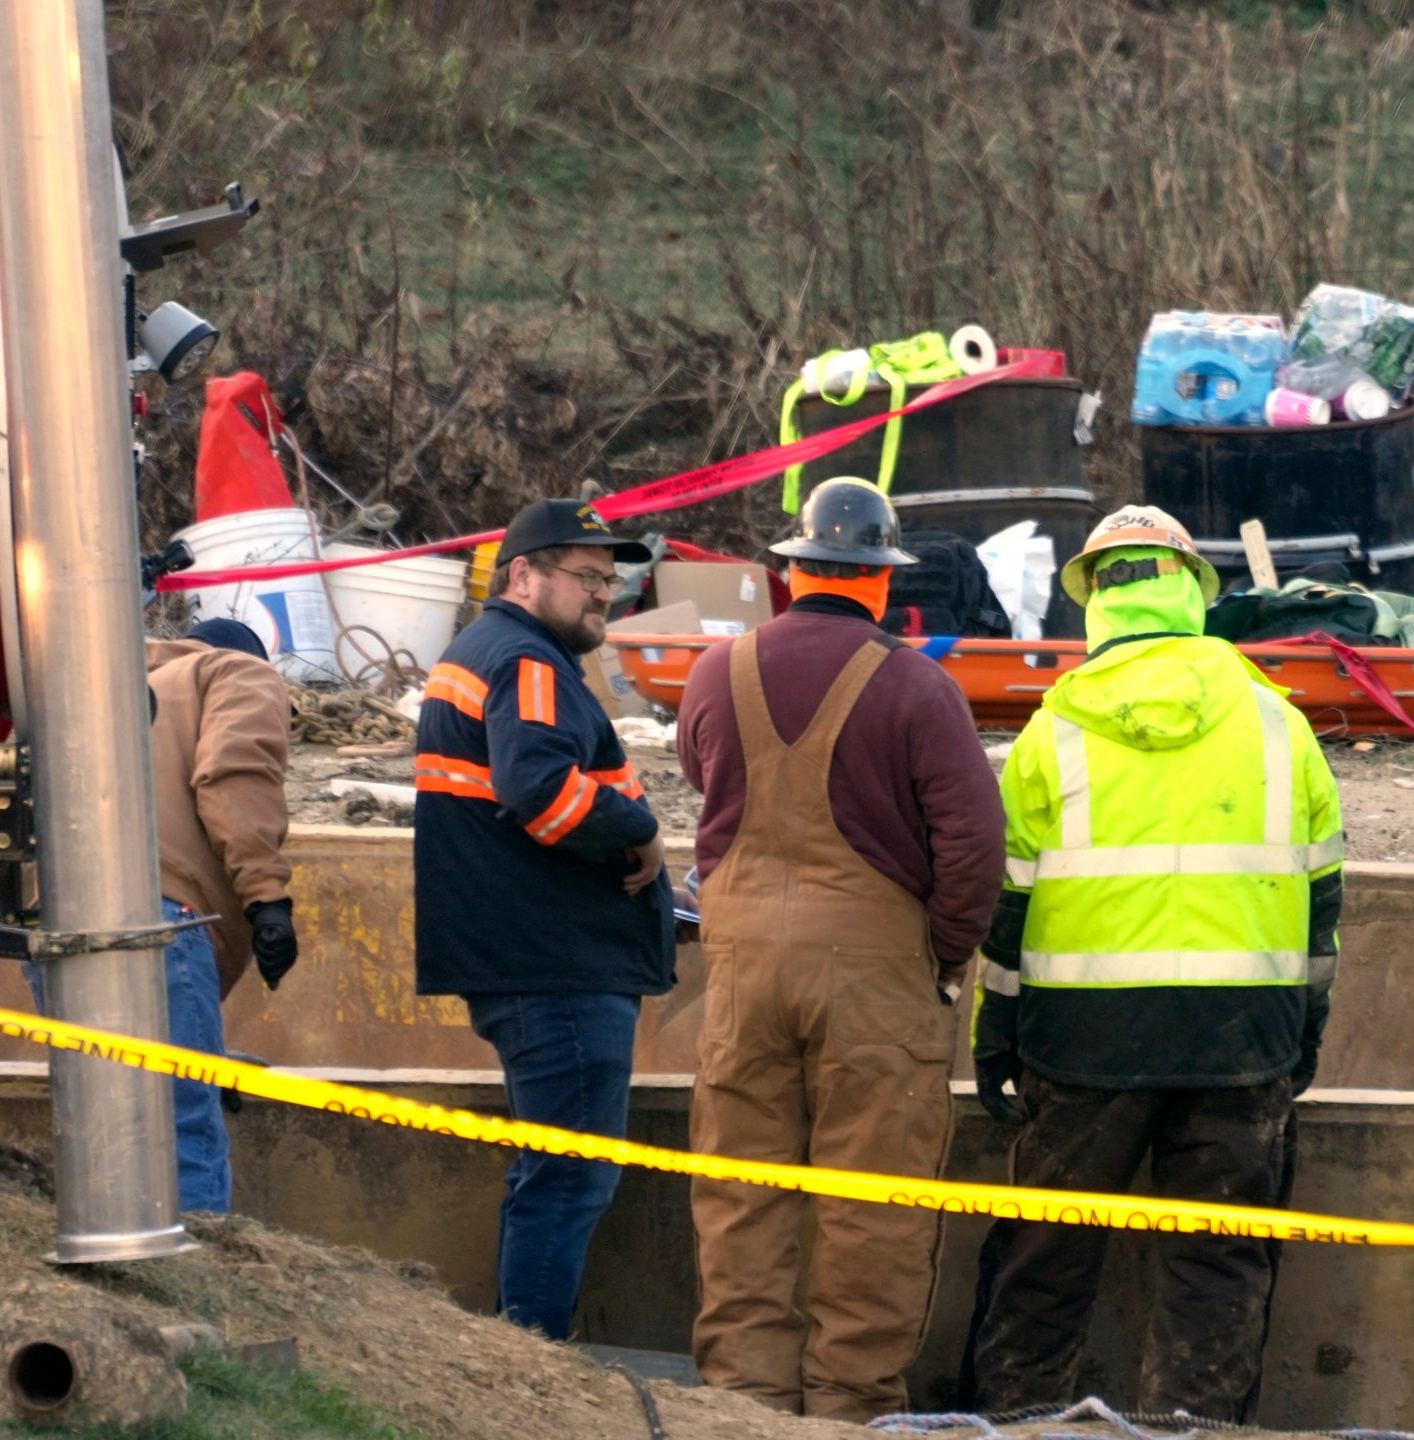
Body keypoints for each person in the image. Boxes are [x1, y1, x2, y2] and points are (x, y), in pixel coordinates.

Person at [967, 505, 1344, 1422]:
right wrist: (1303, 1033)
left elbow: (1006, 914)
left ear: (1093, 597)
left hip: (1081, 1044)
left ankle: (1019, 1425)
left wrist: (997, 1033)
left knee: (1044, 1262)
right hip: (1240, 1039)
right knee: (1217, 1270)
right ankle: (1195, 1430)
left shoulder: (1050, 734)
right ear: (1193, 594)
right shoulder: (1277, 727)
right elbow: (1321, 904)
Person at [678, 476, 1006, 1420]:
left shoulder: (714, 674)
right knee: (875, 1208)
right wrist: (942, 954)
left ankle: (743, 1407)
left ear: (790, 573)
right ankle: (851, 1410)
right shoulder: (914, 683)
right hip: (873, 977)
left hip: (741, 972)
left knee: (743, 1194)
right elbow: (973, 844)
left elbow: (709, 786)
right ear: (880, 581)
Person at [413, 498, 676, 1341]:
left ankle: (523, 1362)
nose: (604, 594)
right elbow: (543, 794)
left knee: (549, 1175)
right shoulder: (528, 662)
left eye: (611, 579)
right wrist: (638, 831)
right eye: (586, 577)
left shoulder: (485, 652)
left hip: (523, 959)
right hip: (557, 967)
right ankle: (535, 1370)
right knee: (569, 1180)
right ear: (520, 575)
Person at [25, 615, 296, 1214]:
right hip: (156, 918)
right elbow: (234, 776)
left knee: (105, 1128)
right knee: (180, 1129)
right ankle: (195, 1286)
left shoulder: (97, 683)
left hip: (50, 922)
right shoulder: (237, 670)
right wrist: (268, 897)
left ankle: (123, 1282)